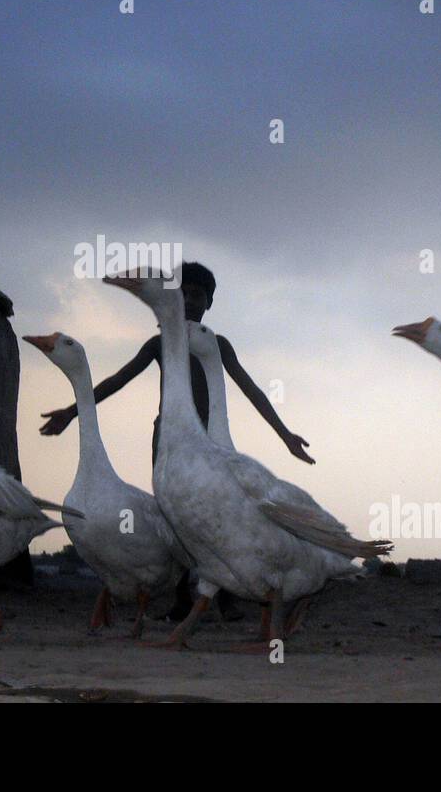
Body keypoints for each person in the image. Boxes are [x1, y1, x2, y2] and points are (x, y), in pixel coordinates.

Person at [39, 261, 314, 620]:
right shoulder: (158, 344)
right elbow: (117, 380)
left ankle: (228, 594)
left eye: (198, 295)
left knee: (224, 517)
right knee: (176, 517)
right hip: (169, 441)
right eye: (183, 293)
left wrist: (285, 435)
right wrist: (71, 411)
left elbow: (251, 389)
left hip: (211, 443)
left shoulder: (216, 346)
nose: (190, 300)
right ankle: (184, 597)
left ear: (210, 302)